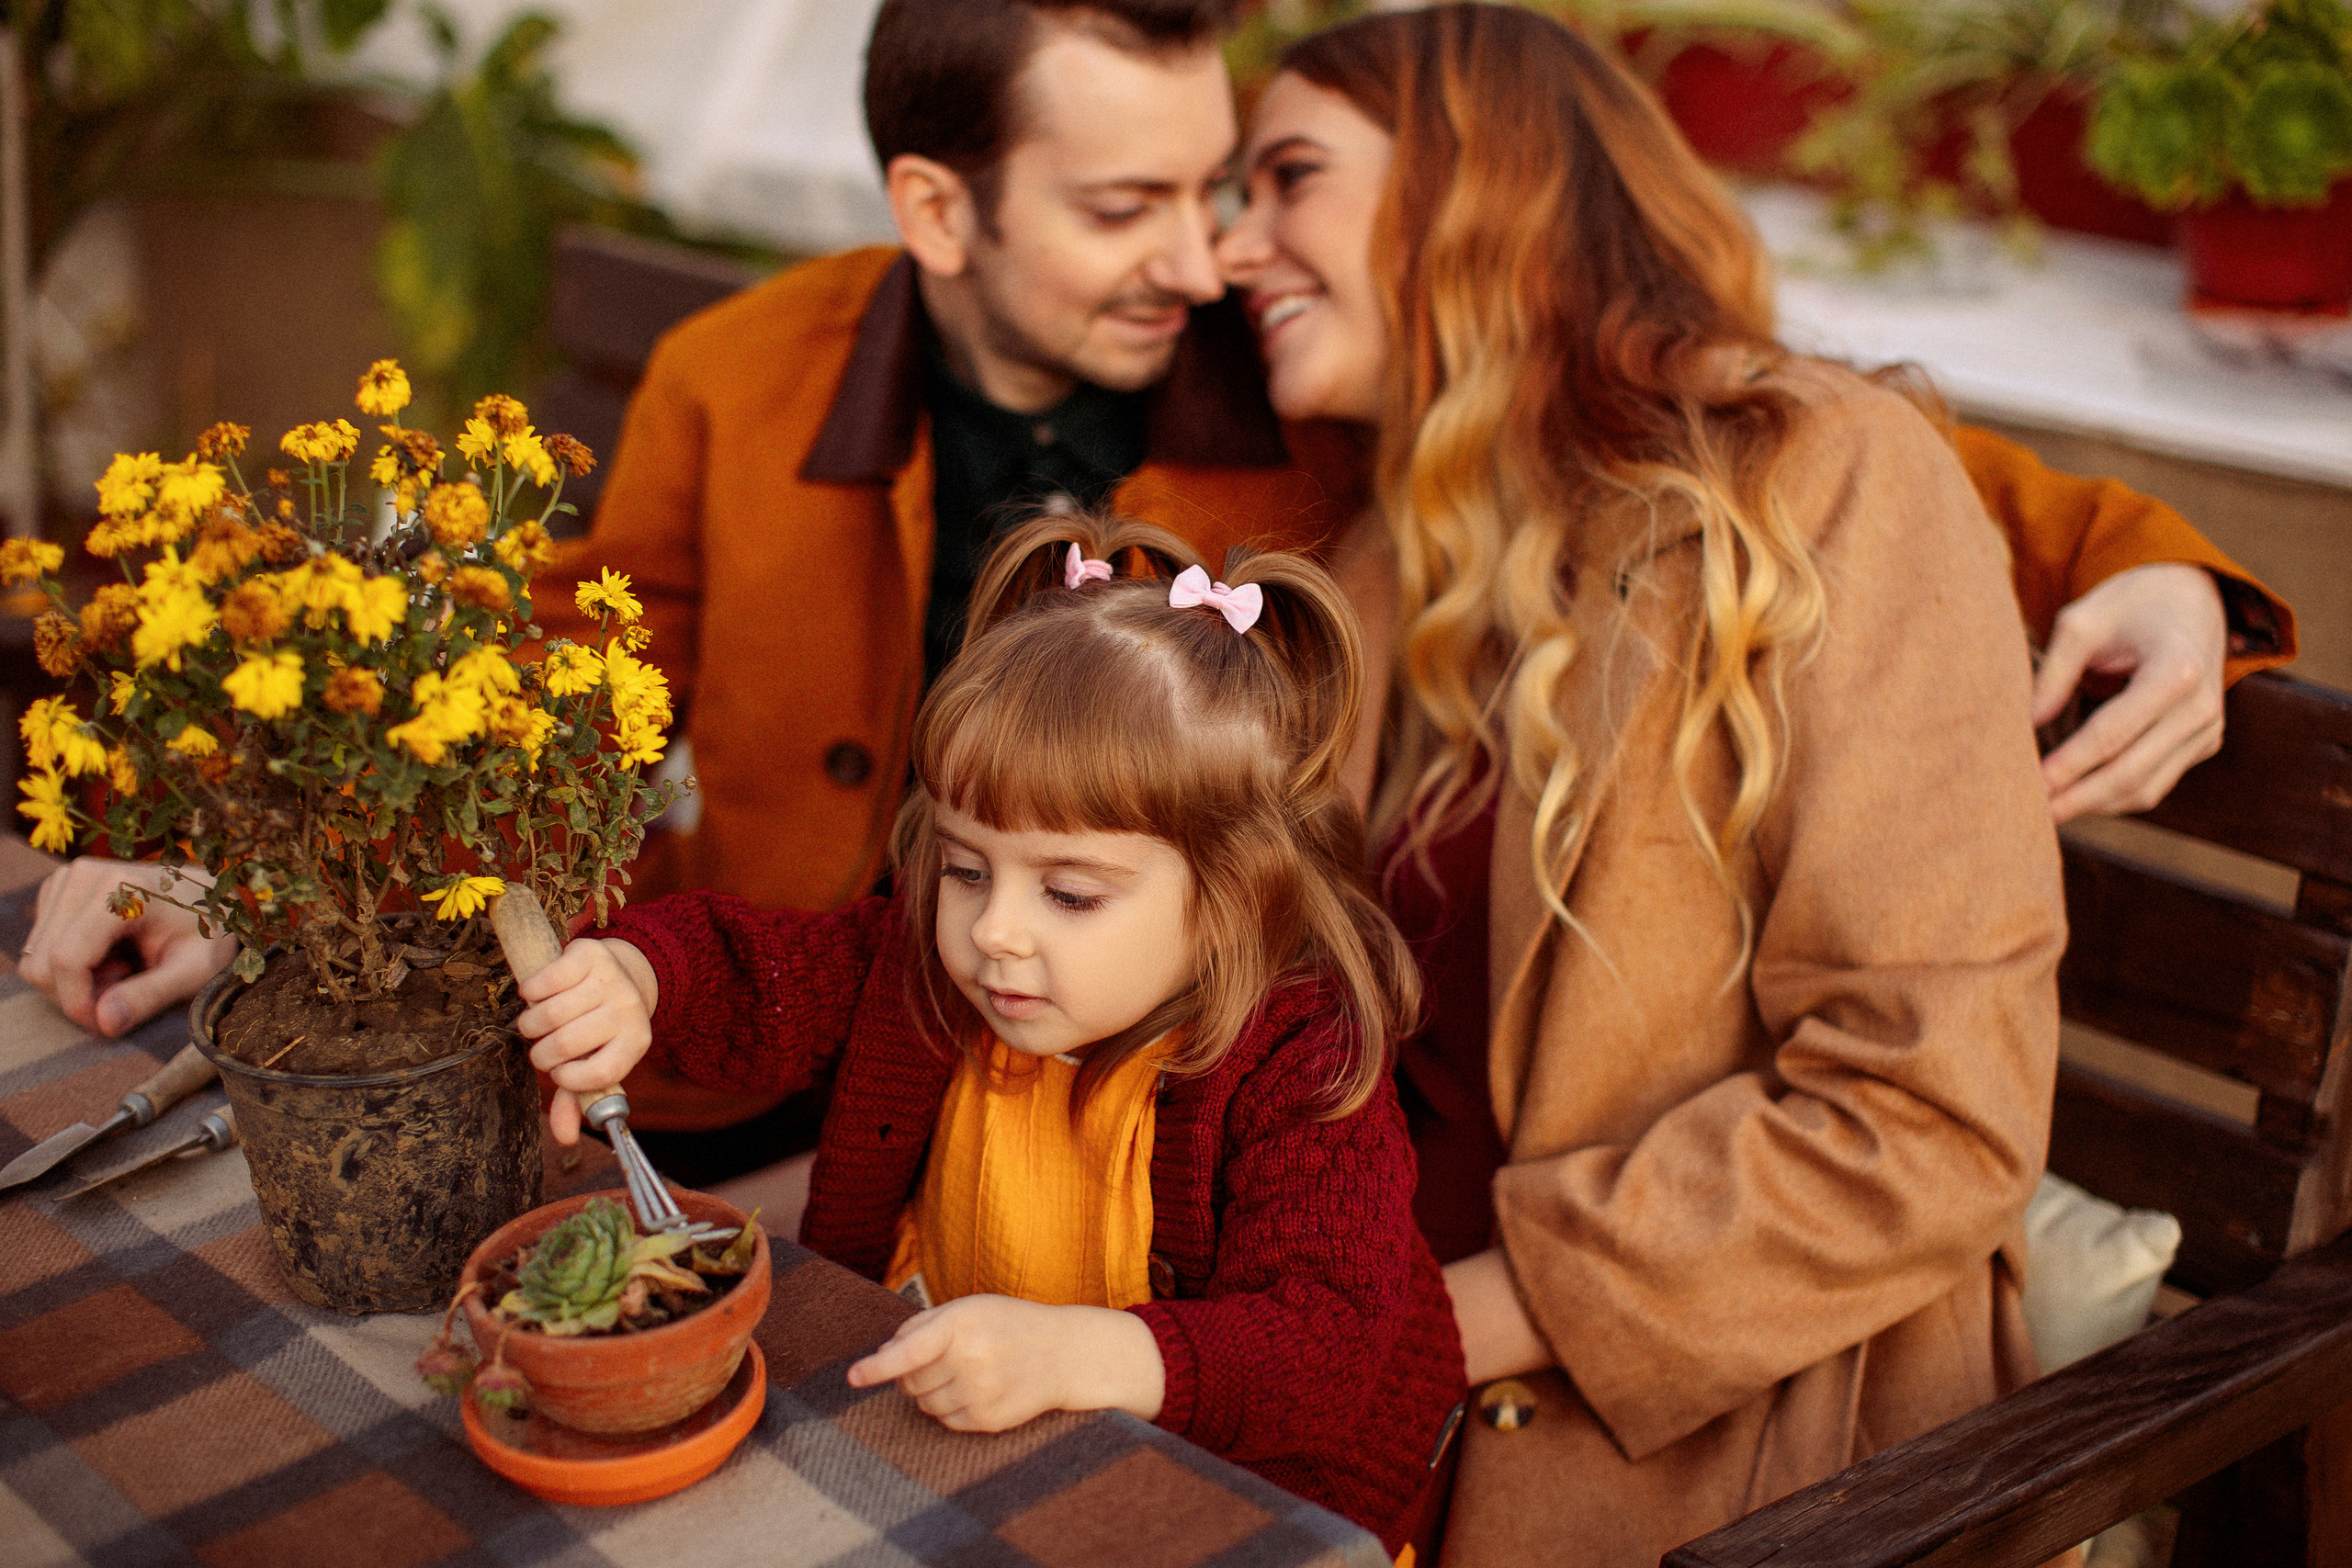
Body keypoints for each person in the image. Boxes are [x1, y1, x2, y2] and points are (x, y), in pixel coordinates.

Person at [16, 1, 2290, 1091]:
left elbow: (1743, 420)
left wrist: (2152, 558)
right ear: (937, 210)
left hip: (1114, 1100)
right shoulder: (737, 373)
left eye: (1220, 186)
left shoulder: (1303, 402)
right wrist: (232, 870)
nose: (1200, 255)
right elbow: (517, 703)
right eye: (1125, 205)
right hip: (748, 1063)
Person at [1207, 6, 2124, 1562]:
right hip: (1328, 1361)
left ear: (1476, 179)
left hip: (1707, 1439)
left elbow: (1929, 1114)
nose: (1231, 250)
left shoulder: (1823, 480)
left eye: (1289, 177)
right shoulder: (1375, 558)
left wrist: (1403, 1332)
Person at [513, 513, 1463, 1555]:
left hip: (1222, 1489)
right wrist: (640, 978)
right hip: (961, 1423)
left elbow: (1324, 1344)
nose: (993, 930)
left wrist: (1082, 1357)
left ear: (1234, 897)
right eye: (967, 869)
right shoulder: (928, 974)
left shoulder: (1302, 1066)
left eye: (1069, 893)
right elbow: (761, 975)